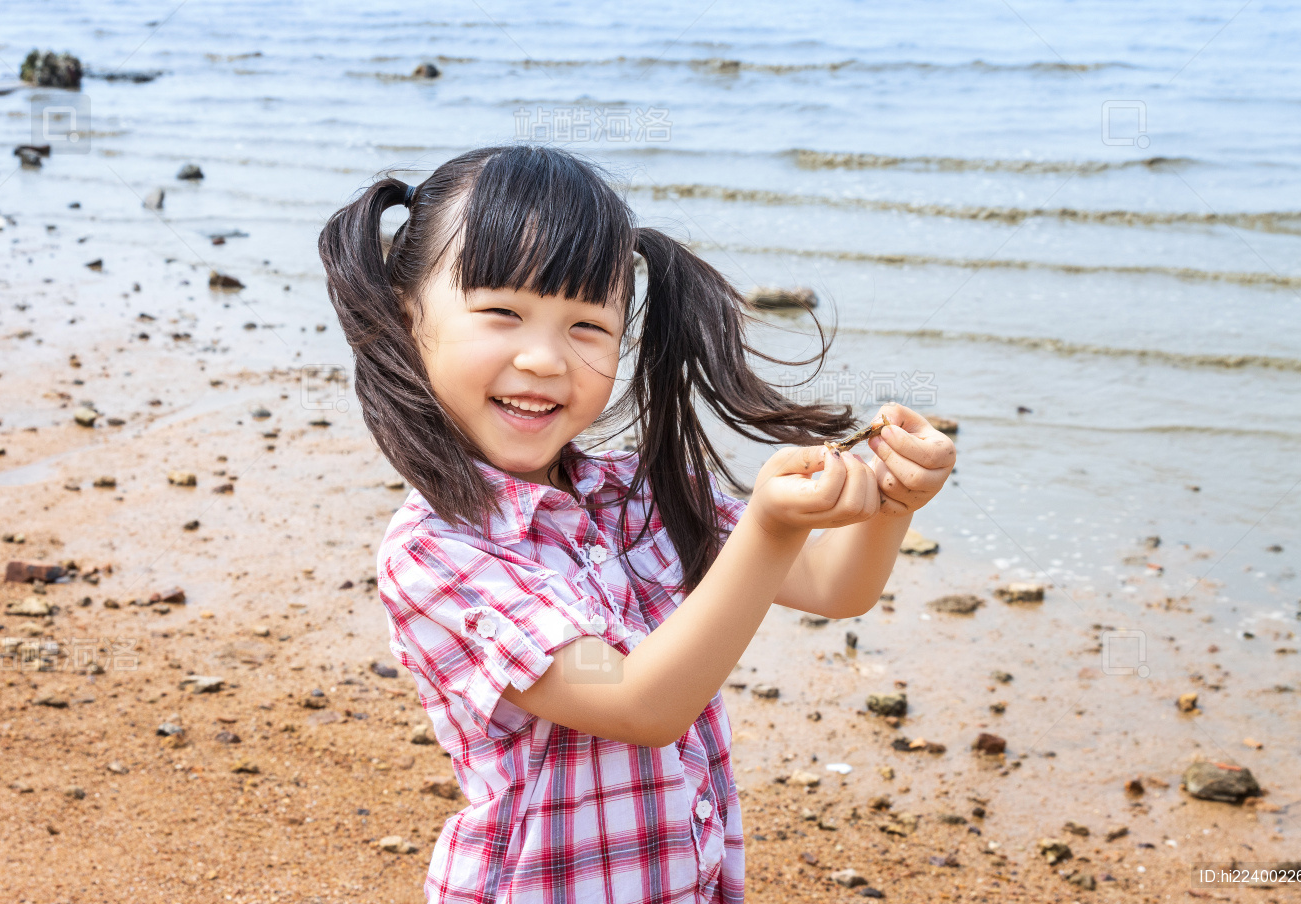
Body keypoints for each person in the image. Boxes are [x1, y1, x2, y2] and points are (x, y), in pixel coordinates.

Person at [317, 144, 956, 903]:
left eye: (587, 326)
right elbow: (636, 702)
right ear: (405, 315)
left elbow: (833, 587)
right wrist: (770, 529)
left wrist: (890, 499)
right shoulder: (437, 553)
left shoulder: (637, 493)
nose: (545, 359)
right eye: (502, 313)